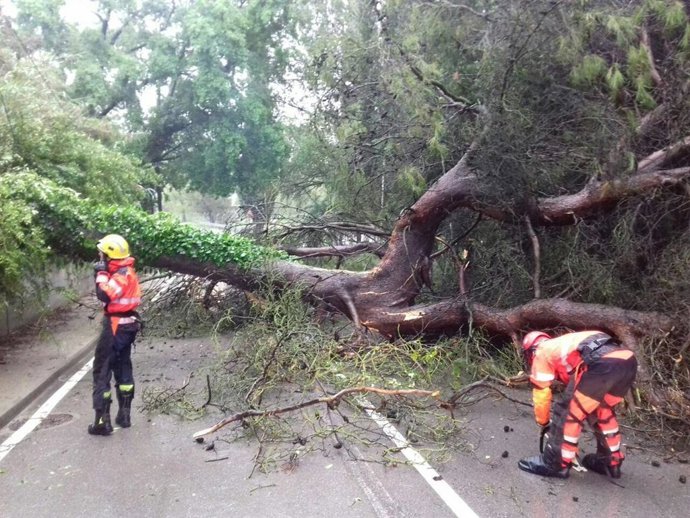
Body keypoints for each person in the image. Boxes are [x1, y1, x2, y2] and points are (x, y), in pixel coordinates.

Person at [517, 330, 637, 479]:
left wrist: (543, 421)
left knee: (567, 412)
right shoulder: (565, 344)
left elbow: (541, 393)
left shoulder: (542, 351)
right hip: (627, 361)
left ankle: (555, 463)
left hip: (601, 362)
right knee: (601, 411)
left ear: (532, 349)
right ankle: (609, 461)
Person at [88, 234, 142, 436]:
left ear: (109, 255)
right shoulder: (126, 271)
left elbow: (104, 294)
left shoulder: (121, 274)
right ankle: (124, 416)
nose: (99, 256)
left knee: (102, 371)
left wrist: (100, 274)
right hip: (127, 326)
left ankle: (102, 422)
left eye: (101, 253)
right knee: (123, 366)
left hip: (115, 326)